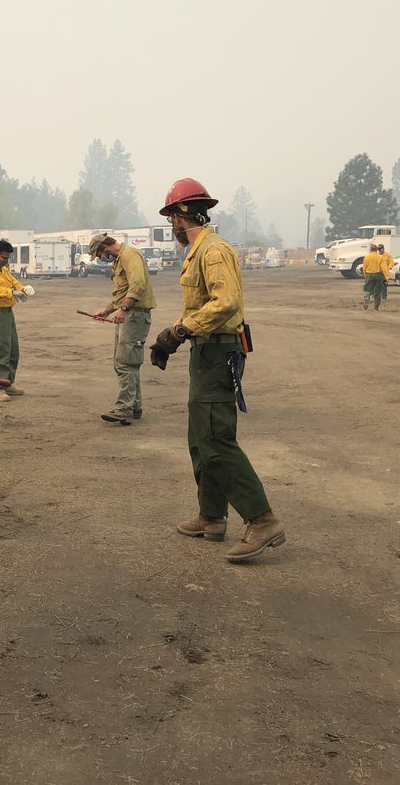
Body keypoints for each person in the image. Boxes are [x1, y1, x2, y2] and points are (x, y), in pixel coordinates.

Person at [149, 178, 285, 563]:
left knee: (216, 439)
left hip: (219, 352)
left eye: (171, 215)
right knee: (199, 437)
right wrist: (172, 337)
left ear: (182, 215)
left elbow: (225, 303)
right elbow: (201, 306)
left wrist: (181, 329)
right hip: (205, 352)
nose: (171, 224)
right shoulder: (198, 251)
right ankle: (212, 516)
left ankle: (262, 519)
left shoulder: (212, 251)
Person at [88, 232, 155, 425]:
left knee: (125, 363)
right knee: (127, 362)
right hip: (128, 315)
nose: (102, 259)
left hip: (134, 315)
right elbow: (122, 293)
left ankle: (123, 408)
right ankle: (134, 406)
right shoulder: (120, 259)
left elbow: (138, 284)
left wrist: (124, 308)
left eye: (99, 255)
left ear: (104, 248)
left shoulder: (129, 255)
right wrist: (108, 310)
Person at [0, 238, 34, 402]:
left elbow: (13, 281)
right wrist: (11, 292)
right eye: (4, 258)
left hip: (7, 312)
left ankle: (7, 382)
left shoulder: (3, 270)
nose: (6, 261)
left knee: (12, 350)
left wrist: (22, 288)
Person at [361, 243, 386, 310]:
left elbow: (364, 268)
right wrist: (386, 277)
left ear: (370, 250)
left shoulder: (366, 257)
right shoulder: (381, 257)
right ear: (377, 250)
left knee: (367, 289)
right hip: (378, 275)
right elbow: (384, 268)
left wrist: (365, 275)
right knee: (378, 291)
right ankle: (376, 307)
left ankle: (366, 297)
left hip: (369, 275)